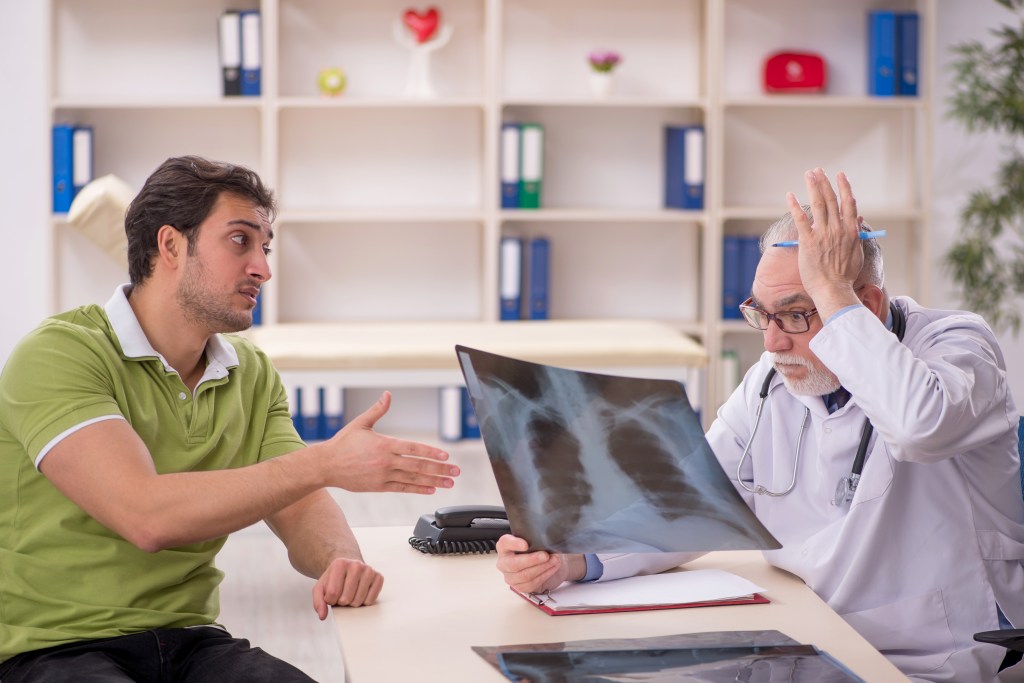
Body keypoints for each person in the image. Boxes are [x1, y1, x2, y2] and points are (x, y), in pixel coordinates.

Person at [495, 168, 1024, 682]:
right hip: (804, 637)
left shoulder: (959, 346)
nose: (772, 343)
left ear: (865, 306)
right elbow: (695, 501)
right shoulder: (773, 380)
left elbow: (917, 428)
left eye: (797, 314)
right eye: (763, 315)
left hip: (932, 657)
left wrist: (834, 292)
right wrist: (574, 557)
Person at [0, 155, 461, 682]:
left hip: (190, 641)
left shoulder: (250, 373)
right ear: (170, 245)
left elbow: (300, 504)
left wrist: (338, 560)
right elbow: (146, 516)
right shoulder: (59, 354)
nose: (263, 267)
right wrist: (323, 463)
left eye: (264, 246)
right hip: (53, 650)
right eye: (240, 240)